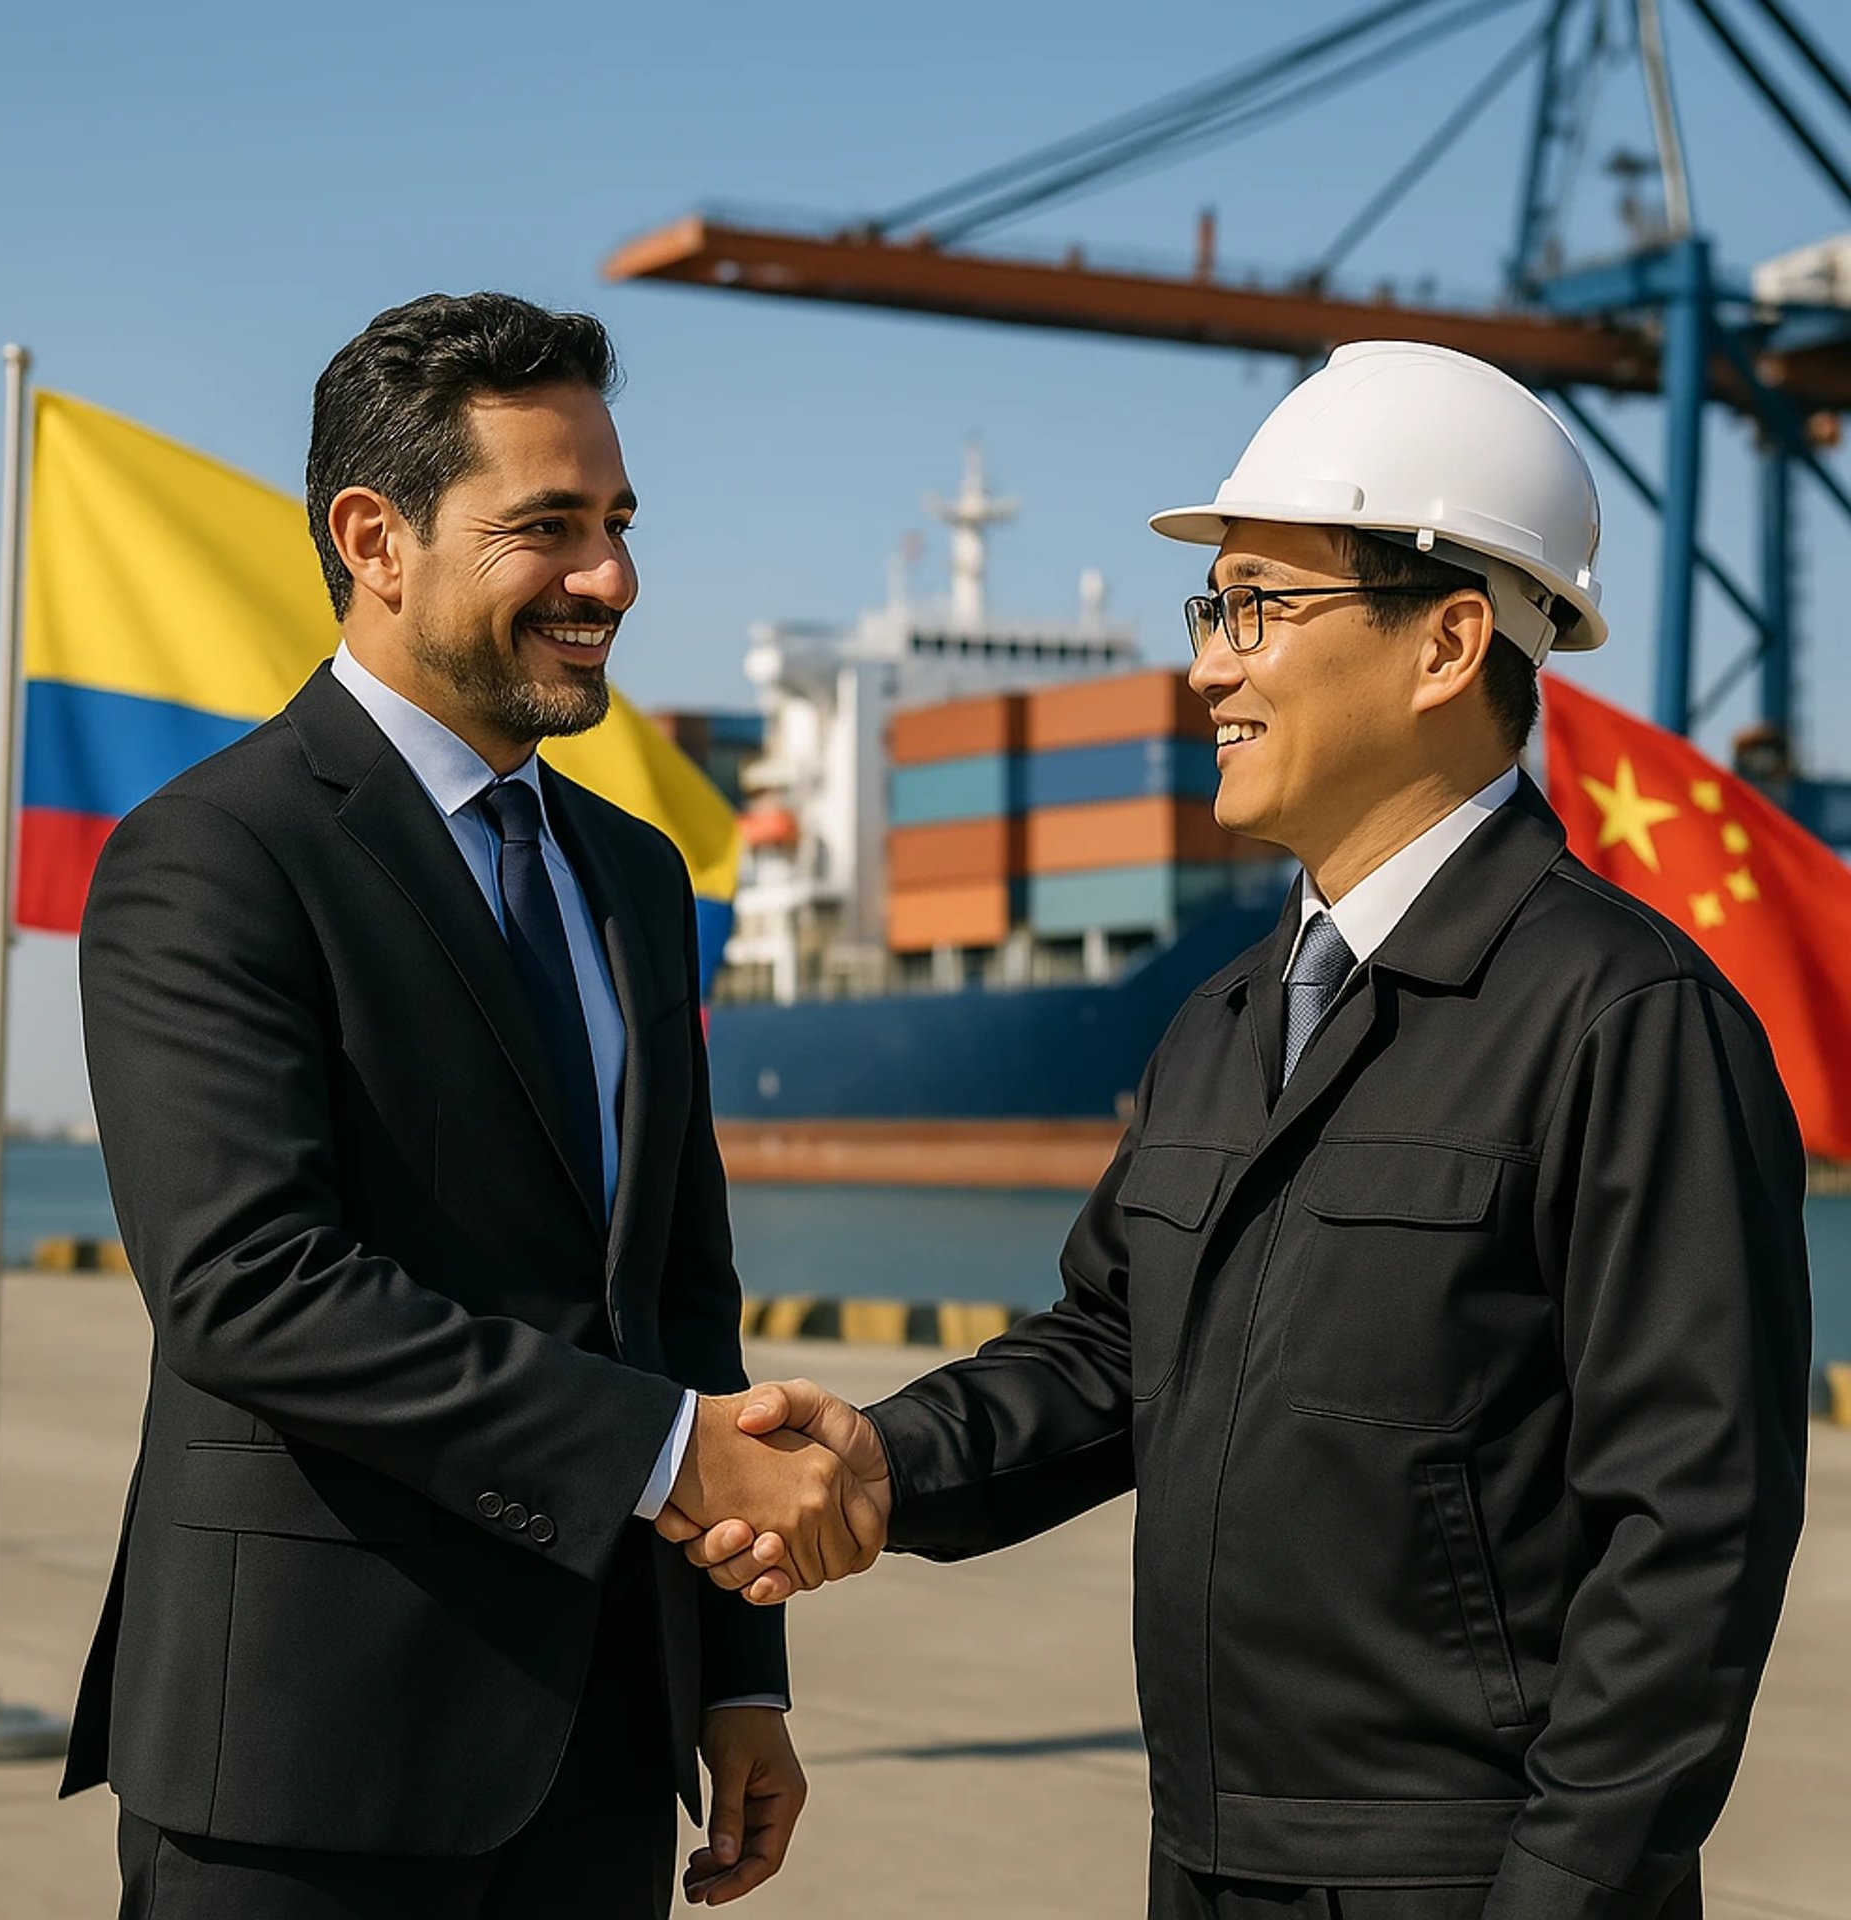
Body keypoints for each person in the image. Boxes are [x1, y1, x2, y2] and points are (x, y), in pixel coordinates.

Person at [672, 342, 1813, 1920]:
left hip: (1470, 1882)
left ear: (1448, 643)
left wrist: (1560, 1897)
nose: (1210, 665)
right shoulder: (1225, 1021)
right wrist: (888, 1459)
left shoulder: (1624, 1022)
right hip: (1207, 1864)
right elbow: (1107, 1354)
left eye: (1259, 605)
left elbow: (1692, 1543)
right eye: (1214, 611)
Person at [61, 291, 881, 1918]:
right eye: (549, 529)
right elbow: (248, 1287)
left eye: (620, 523)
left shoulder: (637, 877)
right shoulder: (212, 859)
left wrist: (736, 1670)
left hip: (597, 1752)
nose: (612, 580)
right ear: (375, 536)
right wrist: (668, 1459)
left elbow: (675, 1292)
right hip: (302, 1773)